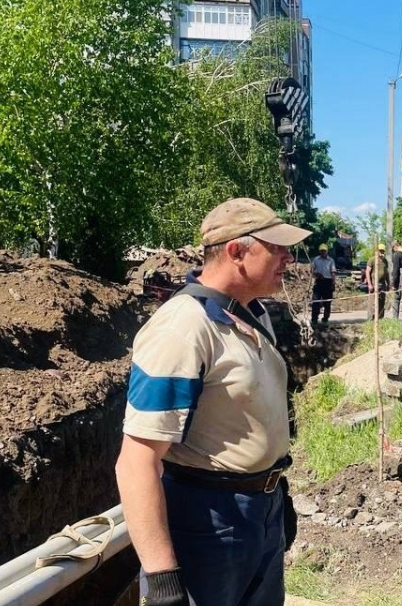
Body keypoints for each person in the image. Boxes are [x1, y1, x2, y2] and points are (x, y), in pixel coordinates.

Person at [115, 197, 310, 606]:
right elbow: (136, 462)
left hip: (261, 510)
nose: (288, 258)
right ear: (238, 251)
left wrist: (273, 500)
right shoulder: (183, 328)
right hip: (207, 520)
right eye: (277, 248)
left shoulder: (253, 315)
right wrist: (162, 575)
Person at [310, 243, 336, 326]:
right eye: (321, 251)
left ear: (327, 251)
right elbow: (312, 271)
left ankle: (325, 319)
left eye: (324, 251)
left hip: (328, 282)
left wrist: (333, 283)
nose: (323, 252)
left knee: (327, 302)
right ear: (319, 251)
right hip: (319, 282)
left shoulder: (331, 260)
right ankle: (314, 319)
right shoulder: (316, 260)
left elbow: (333, 272)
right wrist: (316, 274)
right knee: (316, 301)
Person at [367, 243, 391, 319]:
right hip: (374, 285)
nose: (381, 252)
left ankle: (380, 318)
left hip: (382, 285)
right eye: (380, 251)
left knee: (381, 302)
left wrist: (388, 284)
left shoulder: (385, 261)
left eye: (382, 251)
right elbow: (367, 272)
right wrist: (370, 284)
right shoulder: (372, 260)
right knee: (373, 303)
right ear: (377, 251)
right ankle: (371, 319)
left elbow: (386, 273)